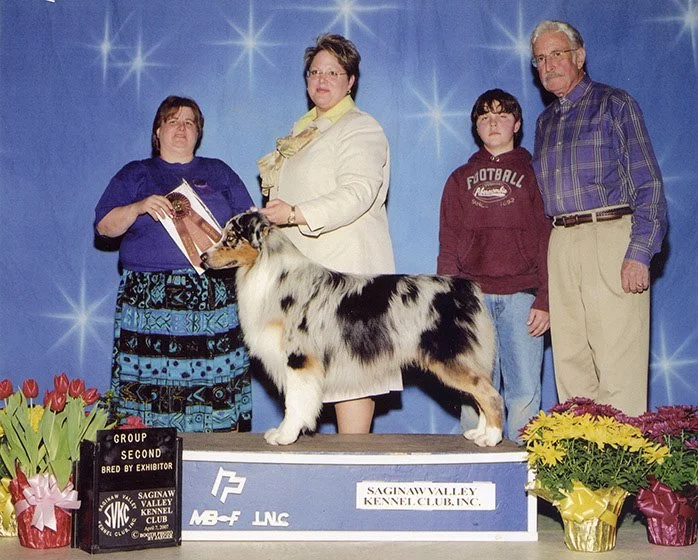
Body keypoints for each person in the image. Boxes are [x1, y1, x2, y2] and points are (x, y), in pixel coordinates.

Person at [257, 33, 401, 434]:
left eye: (333, 72)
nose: (322, 79)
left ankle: (353, 460)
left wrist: (298, 212)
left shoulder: (360, 128)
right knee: (308, 365)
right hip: (306, 273)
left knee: (353, 369)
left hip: (348, 268)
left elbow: (359, 192)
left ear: (351, 80)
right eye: (314, 71)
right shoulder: (302, 131)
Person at [530, 20, 667, 416]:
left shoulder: (615, 104)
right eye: (540, 59)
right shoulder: (545, 122)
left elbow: (649, 185)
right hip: (562, 238)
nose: (548, 65)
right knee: (570, 360)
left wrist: (639, 252)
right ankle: (579, 468)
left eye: (557, 54)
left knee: (618, 363)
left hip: (611, 234)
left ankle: (623, 473)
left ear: (580, 56)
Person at [95, 95, 254, 432]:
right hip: (149, 300)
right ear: (158, 131)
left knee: (215, 390)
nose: (181, 128)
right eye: (172, 121)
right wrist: (138, 207)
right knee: (149, 396)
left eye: (189, 122)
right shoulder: (136, 173)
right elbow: (104, 227)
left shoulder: (219, 171)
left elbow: (250, 226)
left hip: (213, 299)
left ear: (198, 133)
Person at [438, 89, 551, 443]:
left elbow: (548, 238)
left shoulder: (536, 175)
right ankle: (473, 471)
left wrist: (546, 298)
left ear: (517, 124)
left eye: (502, 115)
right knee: (472, 384)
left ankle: (519, 466)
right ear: (476, 127)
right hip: (471, 297)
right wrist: (448, 300)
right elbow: (448, 244)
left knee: (524, 388)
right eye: (484, 117)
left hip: (522, 295)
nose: (493, 123)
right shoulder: (459, 179)